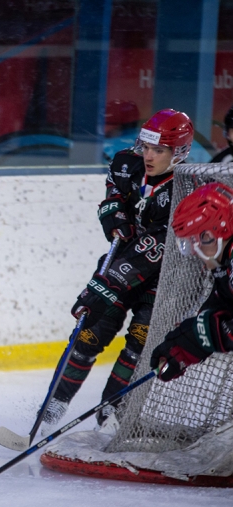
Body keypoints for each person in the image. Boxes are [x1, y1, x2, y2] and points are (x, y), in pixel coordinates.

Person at [41, 109, 194, 432]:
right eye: (147, 147)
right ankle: (53, 405)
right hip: (123, 260)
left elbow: (153, 250)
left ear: (178, 153)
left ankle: (111, 412)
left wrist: (104, 286)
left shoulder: (186, 190)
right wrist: (114, 213)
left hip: (164, 281)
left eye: (160, 151)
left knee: (139, 345)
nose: (149, 156)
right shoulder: (128, 162)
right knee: (88, 333)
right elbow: (115, 190)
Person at [150, 182, 233, 381]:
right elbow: (222, 302)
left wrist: (199, 338)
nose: (193, 251)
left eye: (191, 241)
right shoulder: (225, 262)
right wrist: (184, 344)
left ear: (211, 235)